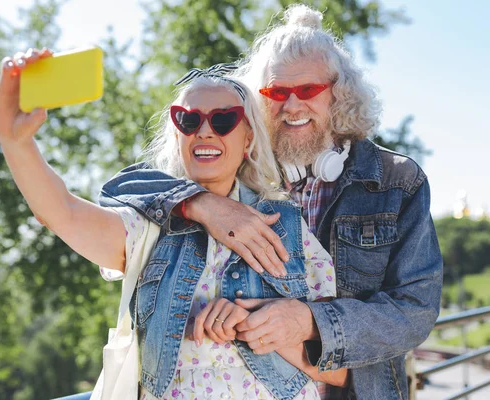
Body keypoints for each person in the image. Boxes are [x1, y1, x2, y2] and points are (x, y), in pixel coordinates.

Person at [98, 4, 443, 399]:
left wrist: (309, 321)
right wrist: (199, 204)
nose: (292, 106)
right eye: (277, 92)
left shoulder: (398, 179)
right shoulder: (235, 161)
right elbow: (121, 189)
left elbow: (414, 308)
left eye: (308, 90)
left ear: (340, 94)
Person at [0, 50, 348, 400]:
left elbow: (339, 371)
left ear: (249, 139)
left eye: (224, 120)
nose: (205, 132)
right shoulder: (146, 228)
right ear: (178, 135)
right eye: (189, 120)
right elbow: (62, 212)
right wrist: (16, 142)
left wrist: (266, 327)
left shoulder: (288, 227)